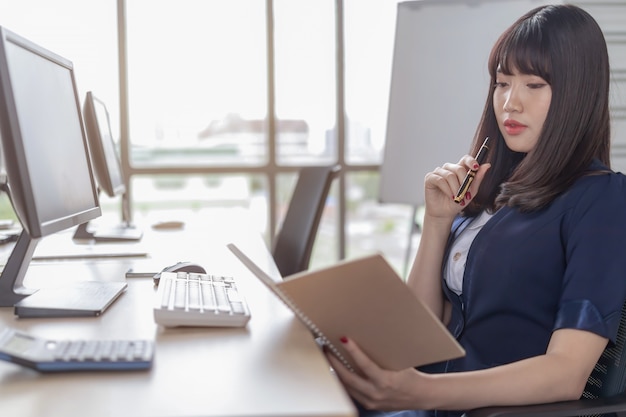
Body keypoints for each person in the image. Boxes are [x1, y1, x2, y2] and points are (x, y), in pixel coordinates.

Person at [326, 4, 626, 417]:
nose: (510, 103)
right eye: (502, 83)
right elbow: (421, 334)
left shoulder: (601, 197)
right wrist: (437, 222)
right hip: (420, 404)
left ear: (577, 94)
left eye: (534, 85)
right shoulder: (492, 189)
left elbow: (566, 373)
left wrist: (422, 393)